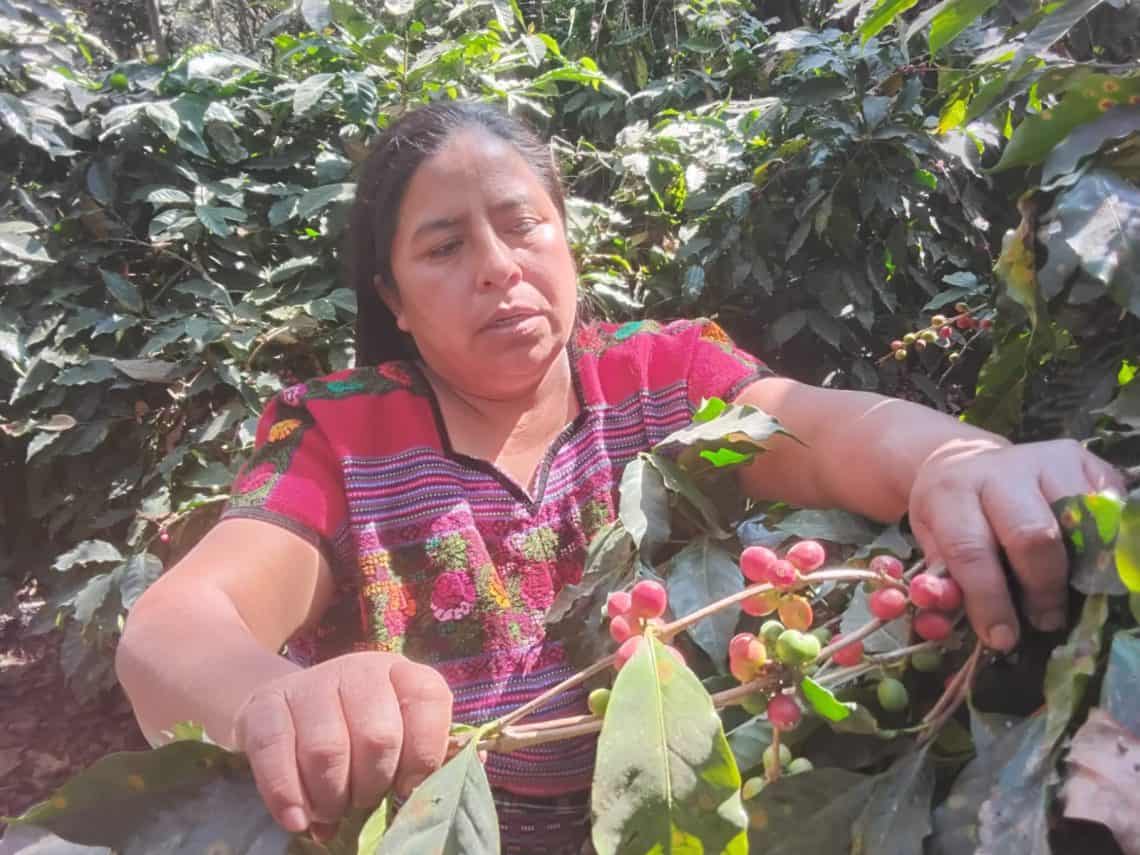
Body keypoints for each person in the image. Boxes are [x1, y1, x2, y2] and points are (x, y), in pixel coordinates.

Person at [114, 101, 1123, 854]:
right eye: (445, 246)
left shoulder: (663, 378)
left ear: (567, 237)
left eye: (524, 226)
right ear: (395, 298)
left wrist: (953, 460)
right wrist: (267, 700)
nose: (501, 267)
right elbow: (176, 628)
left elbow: (824, 427)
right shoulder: (341, 434)